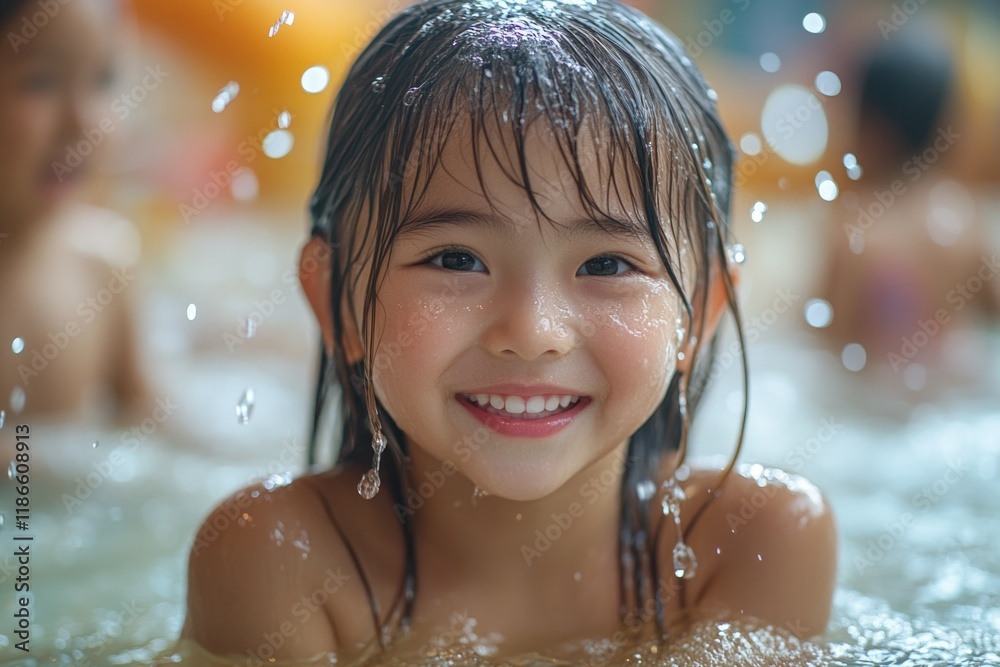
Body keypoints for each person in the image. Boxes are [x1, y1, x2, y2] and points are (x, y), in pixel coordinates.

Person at [181, 0, 837, 662]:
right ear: (337, 302)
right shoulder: (283, 561)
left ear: (699, 313)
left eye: (606, 264)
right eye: (456, 259)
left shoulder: (754, 545)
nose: (531, 332)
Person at [819, 25, 1000, 386]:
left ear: (870, 126)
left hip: (874, 414)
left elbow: (826, 349)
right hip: (953, 402)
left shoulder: (858, 231)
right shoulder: (967, 222)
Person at [0, 0, 149, 422]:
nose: (82, 122)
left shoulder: (104, 267)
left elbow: (150, 425)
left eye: (103, 79)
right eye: (41, 82)